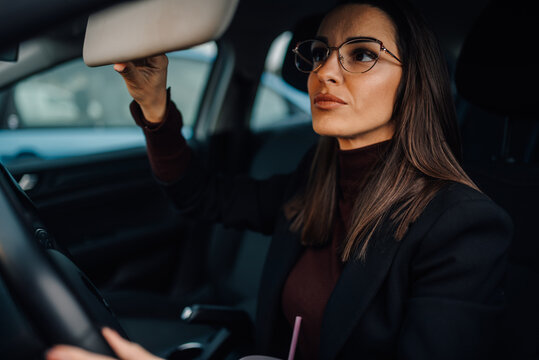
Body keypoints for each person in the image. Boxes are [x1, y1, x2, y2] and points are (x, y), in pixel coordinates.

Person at [46, 0, 512, 359]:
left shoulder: (462, 226)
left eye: (362, 54)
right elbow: (203, 197)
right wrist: (154, 109)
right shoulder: (318, 174)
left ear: (414, 83)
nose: (324, 72)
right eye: (319, 53)